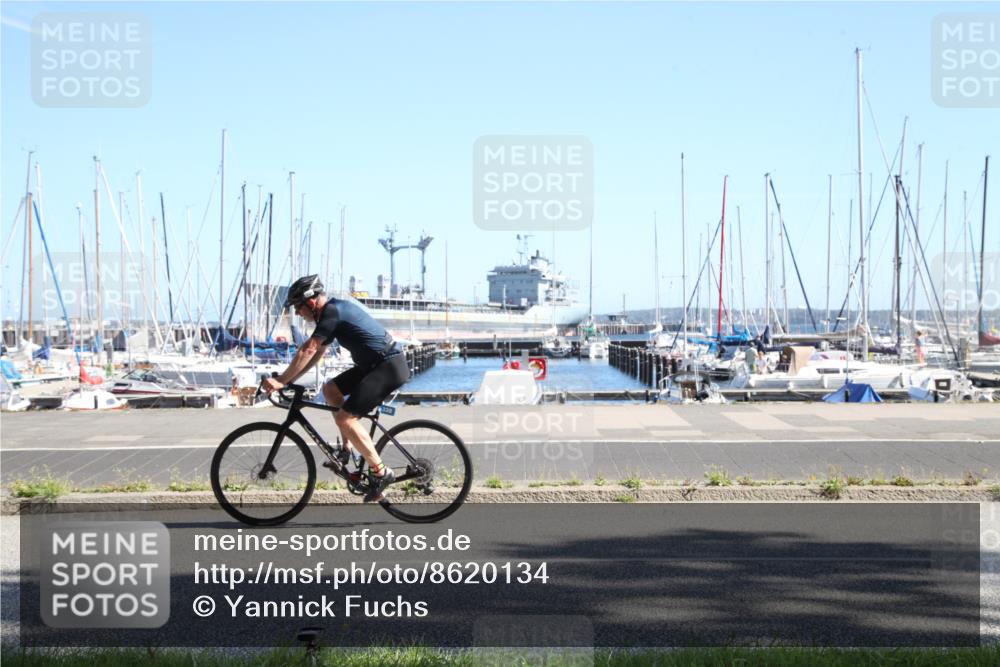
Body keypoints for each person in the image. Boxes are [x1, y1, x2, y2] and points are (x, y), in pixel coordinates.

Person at [262, 275, 410, 502]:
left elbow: (308, 350)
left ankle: (382, 473)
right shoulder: (330, 314)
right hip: (373, 365)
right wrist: (290, 379)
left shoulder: (333, 312)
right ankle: (347, 449)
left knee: (345, 419)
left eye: (299, 308)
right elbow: (316, 353)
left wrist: (281, 380)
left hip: (387, 366)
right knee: (331, 390)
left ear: (310, 302)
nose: (299, 314)